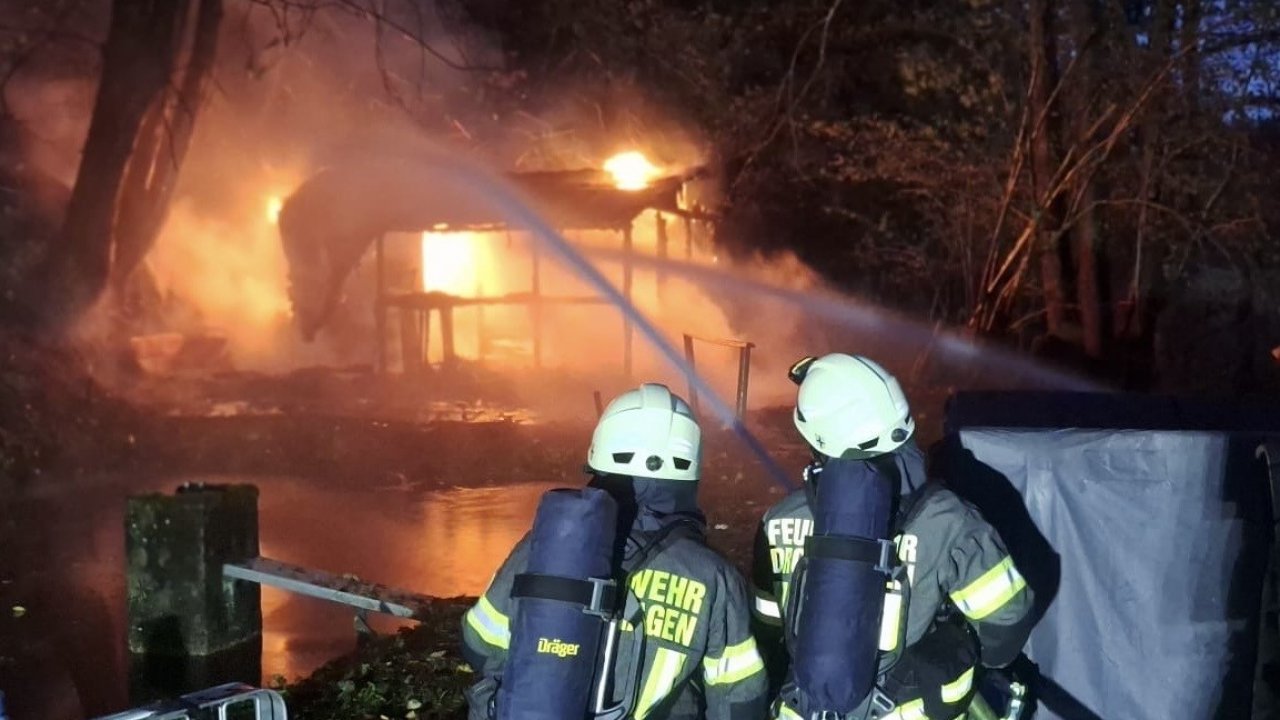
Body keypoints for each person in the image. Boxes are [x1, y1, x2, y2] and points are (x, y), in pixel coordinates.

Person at [751, 354, 1035, 720]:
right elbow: (1005, 629)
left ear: (816, 438)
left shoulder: (777, 520)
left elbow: (766, 634)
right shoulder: (948, 519)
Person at [462, 383, 769, 720]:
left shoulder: (548, 544)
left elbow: (478, 642)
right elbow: (739, 700)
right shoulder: (714, 576)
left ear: (600, 454)